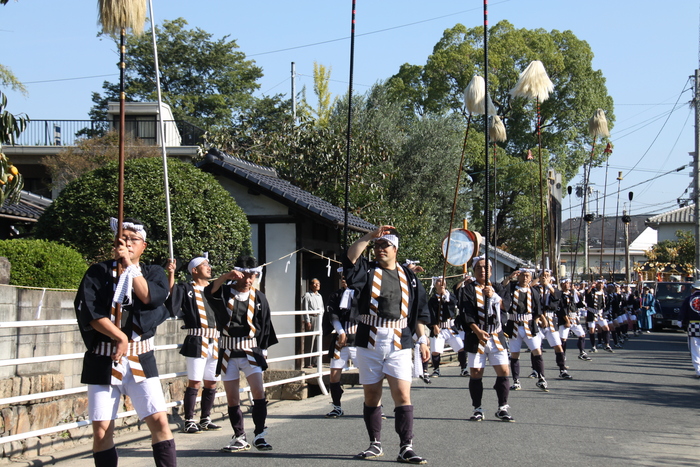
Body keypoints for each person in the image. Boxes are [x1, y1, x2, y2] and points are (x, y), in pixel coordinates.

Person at [74, 217, 176, 467]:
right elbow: (91, 312)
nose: (128, 243)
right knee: (101, 430)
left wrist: (129, 265)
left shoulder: (154, 272)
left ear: (144, 245)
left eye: (134, 240)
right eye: (124, 239)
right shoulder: (97, 272)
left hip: (140, 356)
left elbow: (150, 298)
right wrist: (118, 335)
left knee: (160, 422)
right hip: (104, 357)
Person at [343, 225, 430, 464]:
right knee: (371, 395)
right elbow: (350, 259)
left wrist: (422, 340)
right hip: (368, 338)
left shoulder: (409, 276)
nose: (379, 249)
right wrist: (369, 236)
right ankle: (375, 443)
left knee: (402, 393)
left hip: (399, 339)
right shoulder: (367, 271)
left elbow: (419, 310)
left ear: (395, 249)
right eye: (377, 246)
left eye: (384, 245)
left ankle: (406, 446)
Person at [204, 256, 278, 453]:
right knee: (232, 396)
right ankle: (239, 436)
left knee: (258, 391)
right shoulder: (225, 292)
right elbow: (209, 291)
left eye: (252, 275)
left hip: (251, 350)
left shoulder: (259, 297)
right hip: (228, 350)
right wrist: (225, 276)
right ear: (237, 274)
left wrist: (264, 350)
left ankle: (260, 434)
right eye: (244, 275)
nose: (248, 279)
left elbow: (265, 325)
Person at [166, 254, 222, 434]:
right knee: (195, 381)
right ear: (194, 270)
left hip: (215, 340)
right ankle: (189, 419)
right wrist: (171, 274)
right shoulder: (186, 288)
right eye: (205, 265)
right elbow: (172, 303)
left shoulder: (215, 289)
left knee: (212, 382)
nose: (209, 267)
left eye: (209, 265)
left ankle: (205, 418)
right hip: (197, 339)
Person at [458, 256, 514, 422]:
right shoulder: (467, 290)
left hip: (496, 335)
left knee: (504, 370)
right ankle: (477, 408)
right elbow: (465, 313)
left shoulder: (498, 287)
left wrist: (494, 296)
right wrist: (476, 330)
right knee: (476, 373)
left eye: (486, 268)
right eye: (479, 268)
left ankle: (502, 406)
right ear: (474, 271)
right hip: (477, 336)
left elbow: (507, 306)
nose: (483, 271)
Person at [503, 269, 548, 392]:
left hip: (529, 324)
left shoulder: (534, 291)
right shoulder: (512, 288)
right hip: (514, 325)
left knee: (537, 351)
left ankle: (541, 378)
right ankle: (516, 380)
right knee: (514, 354)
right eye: (522, 275)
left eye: (527, 276)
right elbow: (502, 287)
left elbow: (538, 309)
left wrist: (539, 320)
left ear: (530, 278)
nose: (524, 278)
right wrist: (509, 277)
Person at [323, 270, 358, 418]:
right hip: (340, 340)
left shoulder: (361, 295)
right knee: (334, 373)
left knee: (369, 373)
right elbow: (333, 316)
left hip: (359, 339)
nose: (344, 280)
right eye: (342, 278)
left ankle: (376, 406)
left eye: (347, 278)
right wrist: (341, 332)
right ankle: (337, 406)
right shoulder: (335, 296)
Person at [427, 277, 464, 380]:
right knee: (435, 350)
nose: (441, 283)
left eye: (443, 281)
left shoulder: (450, 296)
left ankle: (463, 368)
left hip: (450, 327)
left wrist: (445, 297)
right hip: (438, 328)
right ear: (435, 285)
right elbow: (430, 313)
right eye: (438, 281)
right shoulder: (433, 299)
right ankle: (436, 369)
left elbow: (452, 307)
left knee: (460, 346)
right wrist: (434, 326)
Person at [556, 279, 591, 361]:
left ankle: (582, 352)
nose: (567, 285)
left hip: (574, 318)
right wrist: (567, 321)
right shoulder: (560, 295)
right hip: (565, 319)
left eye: (568, 283)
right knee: (563, 338)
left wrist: (578, 294)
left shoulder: (572, 294)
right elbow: (561, 309)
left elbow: (579, 304)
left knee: (582, 335)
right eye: (565, 283)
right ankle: (562, 355)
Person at [584, 280, 614, 352]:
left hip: (600, 313)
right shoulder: (592, 291)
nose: (600, 286)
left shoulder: (604, 292)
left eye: (602, 284)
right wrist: (591, 286)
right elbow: (587, 293)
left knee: (606, 328)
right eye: (599, 284)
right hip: (592, 312)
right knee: (592, 330)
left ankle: (607, 344)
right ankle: (593, 346)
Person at [678, 280, 700, 378]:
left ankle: (698, 370)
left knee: (695, 348)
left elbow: (683, 311)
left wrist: (681, 321)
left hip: (693, 325)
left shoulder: (689, 299)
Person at [302, 278, 324, 368]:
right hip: (311, 318)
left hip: (319, 318)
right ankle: (308, 362)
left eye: (318, 283)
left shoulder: (319, 296)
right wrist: (307, 321)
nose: (317, 285)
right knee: (310, 341)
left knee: (317, 340)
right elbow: (305, 308)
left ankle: (316, 361)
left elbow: (322, 308)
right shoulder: (307, 295)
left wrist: (322, 318)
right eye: (315, 284)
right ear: (311, 285)